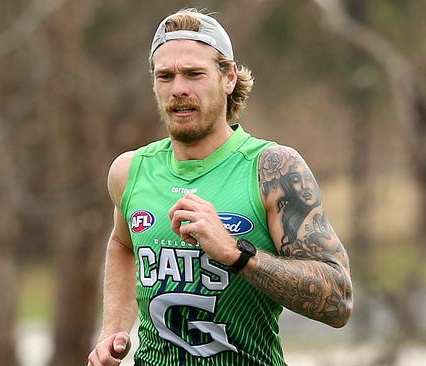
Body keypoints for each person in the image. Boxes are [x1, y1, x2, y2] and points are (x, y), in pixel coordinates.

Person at [88, 8, 353, 366]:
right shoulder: (130, 171)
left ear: (228, 77)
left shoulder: (271, 169)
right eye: (165, 76)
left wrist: (235, 253)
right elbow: (122, 245)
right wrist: (113, 331)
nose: (178, 88)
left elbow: (338, 300)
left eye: (194, 74)